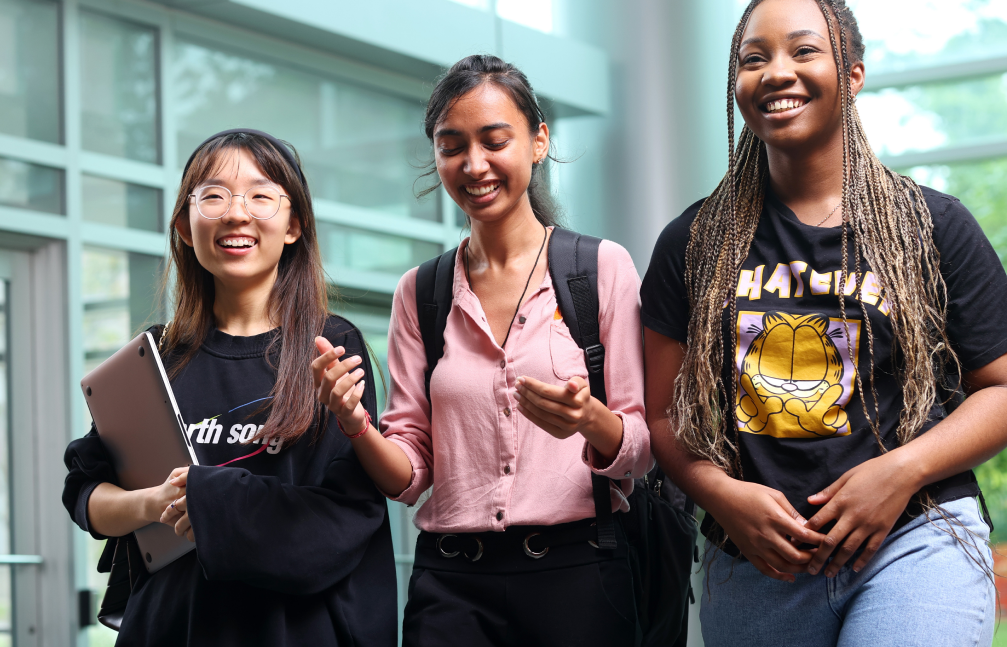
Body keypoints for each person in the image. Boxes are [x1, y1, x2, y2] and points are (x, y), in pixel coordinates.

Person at [641, 0, 1007, 646]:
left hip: (915, 537)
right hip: (757, 562)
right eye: (752, 58)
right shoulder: (693, 243)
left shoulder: (932, 226)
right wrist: (721, 494)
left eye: (803, 51)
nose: (777, 73)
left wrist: (901, 470)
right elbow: (661, 415)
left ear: (851, 76)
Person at [312, 55, 653, 647]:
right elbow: (410, 475)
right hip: (452, 586)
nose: (474, 165)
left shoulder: (598, 269)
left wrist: (590, 421)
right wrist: (355, 424)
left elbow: (642, 447)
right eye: (452, 146)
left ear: (538, 141)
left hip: (578, 574)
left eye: (495, 141)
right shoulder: (421, 292)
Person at [62, 129, 396, 646]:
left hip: (289, 631)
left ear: (294, 226)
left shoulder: (328, 344)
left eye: (261, 196)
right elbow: (87, 495)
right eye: (214, 196)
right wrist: (159, 502)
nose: (237, 214)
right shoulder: (156, 357)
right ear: (185, 226)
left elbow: (344, 519)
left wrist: (209, 499)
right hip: (172, 627)